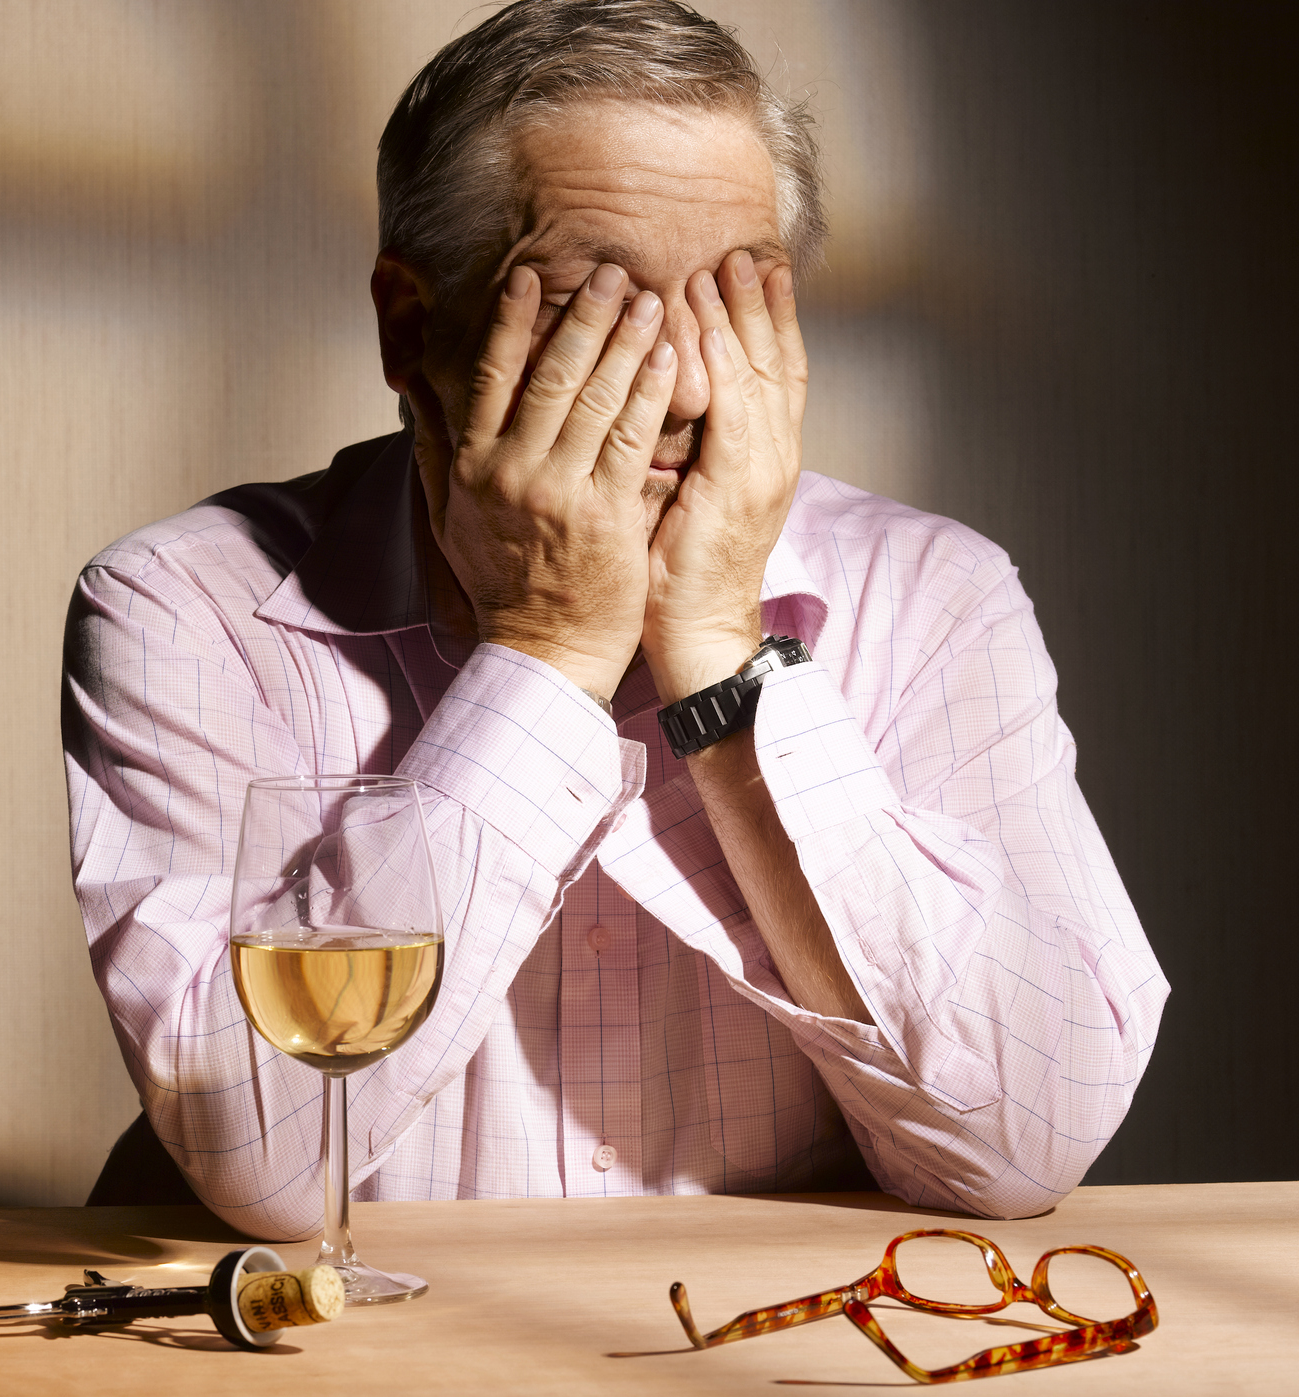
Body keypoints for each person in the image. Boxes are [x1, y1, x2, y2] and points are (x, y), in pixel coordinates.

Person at [60, 0, 1166, 1239]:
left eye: (735, 303)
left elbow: (1021, 1147)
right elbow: (264, 1160)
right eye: (606, 310)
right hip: (349, 1388)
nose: (689, 384)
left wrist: (724, 660)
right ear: (409, 326)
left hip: (776, 1373)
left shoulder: (935, 595)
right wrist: (543, 653)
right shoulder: (183, 606)